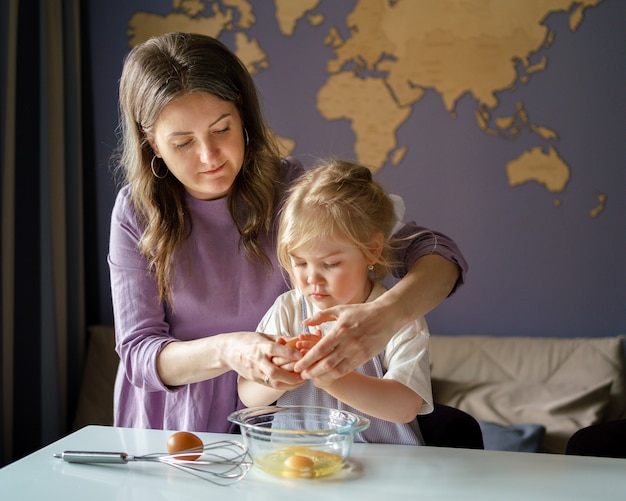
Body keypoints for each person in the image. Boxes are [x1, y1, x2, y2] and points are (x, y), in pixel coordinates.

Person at [108, 32, 467, 433]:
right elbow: (139, 354)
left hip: (279, 433)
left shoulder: (296, 193)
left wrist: (386, 315)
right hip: (176, 428)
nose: (209, 157)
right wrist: (230, 350)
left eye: (222, 129)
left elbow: (437, 253)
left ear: (241, 113)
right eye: (183, 142)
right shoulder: (135, 214)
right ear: (151, 141)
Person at [238, 160, 433, 445]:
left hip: (387, 469)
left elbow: (404, 406)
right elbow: (247, 394)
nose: (312, 278)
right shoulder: (288, 310)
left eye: (330, 264)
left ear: (371, 250)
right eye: (300, 262)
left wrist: (332, 378)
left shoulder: (395, 314)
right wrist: (276, 377)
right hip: (298, 464)